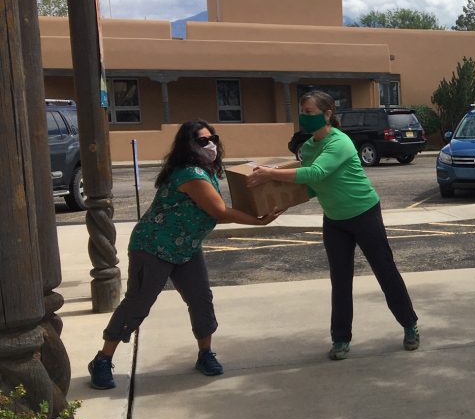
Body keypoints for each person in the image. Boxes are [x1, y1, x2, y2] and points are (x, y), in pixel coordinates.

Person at [87, 121, 280, 389]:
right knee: (137, 304)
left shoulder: (207, 171)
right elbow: (220, 211)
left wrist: (253, 213)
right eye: (202, 141)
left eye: (213, 138)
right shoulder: (191, 174)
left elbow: (210, 212)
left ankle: (205, 354)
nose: (210, 144)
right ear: (188, 146)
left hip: (186, 247)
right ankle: (102, 360)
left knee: (201, 299)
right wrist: (258, 221)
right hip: (154, 247)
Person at [247, 90, 418, 361]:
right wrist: (285, 204)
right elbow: (315, 186)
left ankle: (409, 325)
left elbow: (316, 173)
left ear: (328, 114)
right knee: (340, 281)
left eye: (311, 113)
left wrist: (269, 173)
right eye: (302, 113)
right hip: (335, 220)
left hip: (364, 214)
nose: (305, 118)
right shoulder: (310, 147)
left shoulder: (340, 142)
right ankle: (340, 339)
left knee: (385, 271)